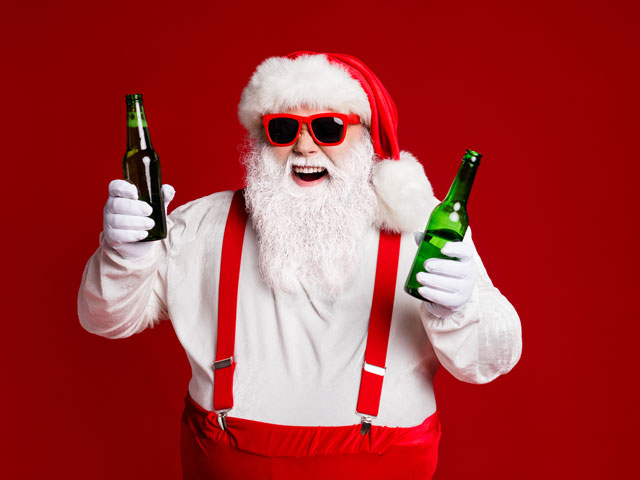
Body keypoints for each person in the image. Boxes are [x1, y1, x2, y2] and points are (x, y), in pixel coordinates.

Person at [78, 52, 522, 479]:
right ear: (260, 138)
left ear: (366, 137)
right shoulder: (202, 224)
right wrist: (125, 256)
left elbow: (489, 360)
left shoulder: (422, 227)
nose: (304, 146)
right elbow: (106, 320)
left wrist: (461, 309)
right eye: (283, 128)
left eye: (328, 128)